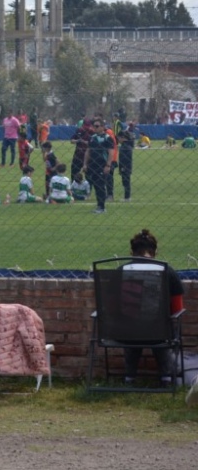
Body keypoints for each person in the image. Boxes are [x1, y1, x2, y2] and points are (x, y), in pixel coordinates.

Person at [119, 229, 184, 387]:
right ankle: (165, 377)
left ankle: (129, 377)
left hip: (127, 333)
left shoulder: (120, 272)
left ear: (131, 252)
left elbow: (114, 306)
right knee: (165, 329)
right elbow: (177, 309)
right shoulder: (169, 273)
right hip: (160, 333)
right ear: (155, 252)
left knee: (133, 326)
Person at [86, 118, 115, 214]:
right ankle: (99, 205)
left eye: (97, 126)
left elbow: (111, 152)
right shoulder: (92, 137)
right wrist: (85, 164)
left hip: (102, 165)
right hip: (92, 165)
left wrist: (108, 165)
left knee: (100, 185)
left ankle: (102, 207)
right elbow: (88, 151)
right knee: (96, 185)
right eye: (94, 126)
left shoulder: (108, 138)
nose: (95, 128)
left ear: (103, 127)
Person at [117, 130, 134, 202]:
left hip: (125, 167)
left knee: (126, 182)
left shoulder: (125, 146)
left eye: (119, 138)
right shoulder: (125, 145)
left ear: (122, 137)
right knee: (125, 182)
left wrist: (123, 167)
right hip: (125, 166)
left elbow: (125, 158)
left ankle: (127, 197)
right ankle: (126, 196)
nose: (118, 140)